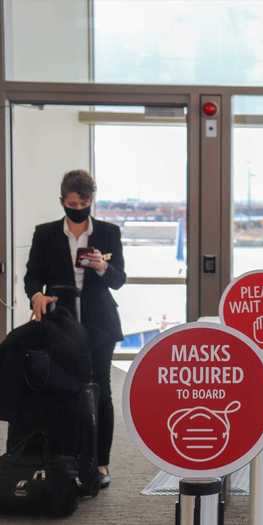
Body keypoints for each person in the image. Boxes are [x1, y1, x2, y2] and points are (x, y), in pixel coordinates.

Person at [24, 169, 126, 490]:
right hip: (60, 321)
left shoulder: (109, 232)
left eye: (83, 202)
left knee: (101, 391)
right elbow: (31, 276)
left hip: (100, 323)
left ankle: (101, 462)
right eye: (72, 202)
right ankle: (66, 459)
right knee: (64, 389)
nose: (78, 207)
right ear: (62, 202)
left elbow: (119, 280)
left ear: (91, 201)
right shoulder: (46, 234)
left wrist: (103, 267)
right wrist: (36, 295)